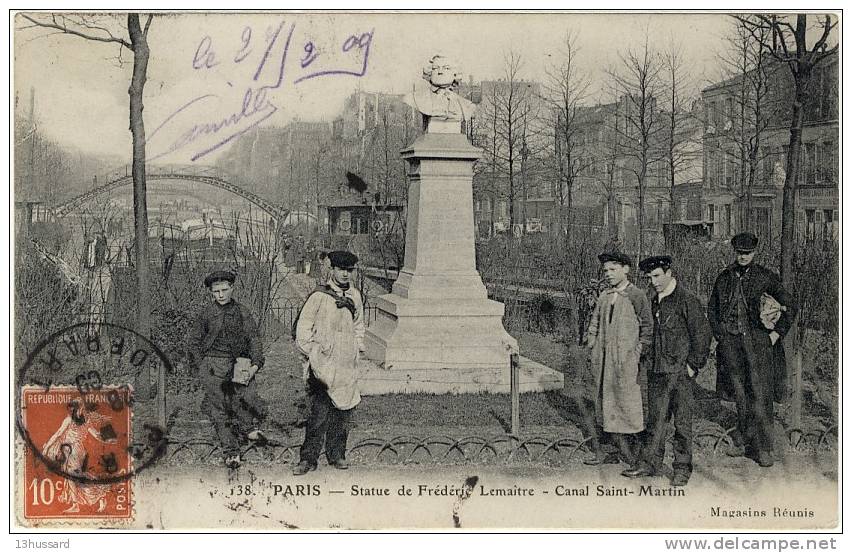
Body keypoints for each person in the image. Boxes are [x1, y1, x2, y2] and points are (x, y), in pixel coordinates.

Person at [708, 232, 797, 467]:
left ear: (754, 253)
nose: (743, 256)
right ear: (734, 252)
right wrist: (721, 337)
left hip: (758, 347)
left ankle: (764, 448)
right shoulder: (724, 278)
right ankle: (745, 443)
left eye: (747, 253)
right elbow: (713, 310)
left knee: (760, 396)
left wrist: (776, 334)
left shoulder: (766, 278)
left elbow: (791, 305)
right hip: (732, 346)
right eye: (739, 252)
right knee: (740, 395)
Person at [622, 256, 712, 486]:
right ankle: (650, 463)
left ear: (669, 273)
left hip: (680, 374)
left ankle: (682, 468)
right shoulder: (651, 300)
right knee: (655, 421)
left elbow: (702, 336)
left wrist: (693, 366)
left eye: (657, 276)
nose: (653, 282)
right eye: (649, 277)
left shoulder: (687, 300)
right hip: (656, 371)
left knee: (682, 423)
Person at [293, 251, 365, 475]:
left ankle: (337, 455)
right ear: (332, 270)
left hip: (345, 364)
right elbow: (302, 331)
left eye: (349, 270)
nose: (345, 274)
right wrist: (314, 354)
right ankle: (308, 459)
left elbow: (359, 326)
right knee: (319, 414)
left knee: (343, 412)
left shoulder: (355, 296)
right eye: (341, 269)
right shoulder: (319, 296)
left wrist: (356, 348)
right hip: (322, 365)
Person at [191, 270, 267, 469]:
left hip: (239, 363)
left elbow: (254, 339)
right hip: (213, 365)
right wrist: (202, 366)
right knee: (220, 409)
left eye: (225, 290)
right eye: (216, 291)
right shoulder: (206, 314)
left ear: (232, 288)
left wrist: (255, 364)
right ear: (211, 293)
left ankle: (248, 428)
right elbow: (193, 343)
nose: (221, 295)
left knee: (246, 397)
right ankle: (231, 452)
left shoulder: (242, 312)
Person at [584, 252, 653, 466]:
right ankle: (610, 451)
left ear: (626, 269)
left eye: (613, 270)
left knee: (629, 404)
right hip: (604, 362)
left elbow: (647, 327)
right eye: (605, 271)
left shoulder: (637, 295)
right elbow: (594, 322)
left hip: (626, 362)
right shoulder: (605, 296)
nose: (608, 275)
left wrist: (637, 352)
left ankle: (635, 454)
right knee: (606, 404)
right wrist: (592, 343)